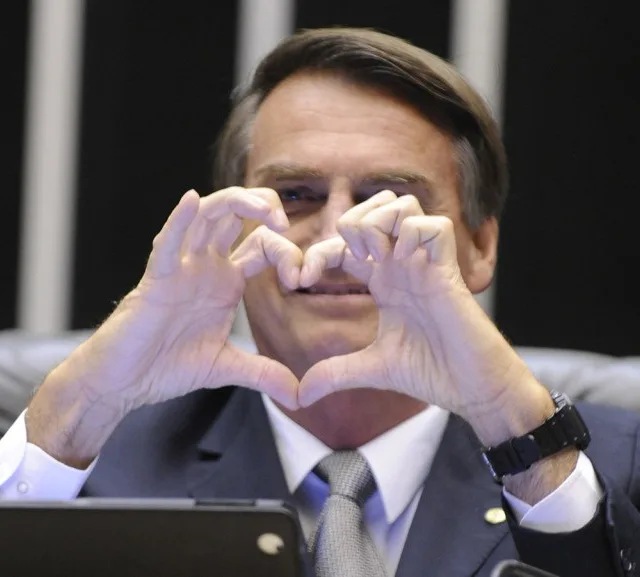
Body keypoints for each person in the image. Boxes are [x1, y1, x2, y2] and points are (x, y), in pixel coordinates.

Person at [0, 27, 638, 577]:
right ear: (233, 229)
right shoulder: (94, 462)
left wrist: (517, 430)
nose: (336, 236)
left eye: (388, 199)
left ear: (478, 247)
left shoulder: (611, 467)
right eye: (296, 194)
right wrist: (83, 402)